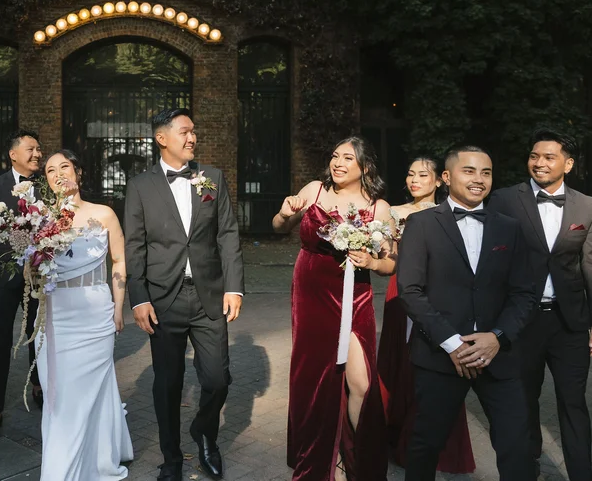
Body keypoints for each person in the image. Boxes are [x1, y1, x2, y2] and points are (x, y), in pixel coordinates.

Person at [397, 145, 536, 481]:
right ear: (446, 177)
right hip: (441, 355)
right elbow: (410, 291)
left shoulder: (509, 227)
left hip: (497, 355)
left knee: (518, 447)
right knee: (426, 445)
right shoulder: (421, 224)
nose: (479, 179)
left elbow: (524, 293)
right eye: (469, 171)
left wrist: (497, 337)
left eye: (486, 172)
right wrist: (451, 343)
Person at [125, 109, 244, 481]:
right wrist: (139, 298)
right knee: (167, 384)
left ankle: (205, 434)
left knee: (217, 380)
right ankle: (171, 459)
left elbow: (227, 234)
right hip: (163, 299)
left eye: (194, 131)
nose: (192, 138)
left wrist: (234, 287)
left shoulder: (212, 178)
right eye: (185, 132)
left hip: (209, 297)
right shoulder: (140, 186)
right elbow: (134, 246)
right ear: (162, 138)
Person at [488, 129, 592, 481]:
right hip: (519, 322)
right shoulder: (504, 200)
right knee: (522, 401)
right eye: (534, 156)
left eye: (549, 157)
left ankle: (581, 475)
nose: (539, 163)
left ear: (568, 164)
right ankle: (527, 468)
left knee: (573, 403)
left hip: (569, 323)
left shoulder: (587, 205)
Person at [273, 136, 393, 480]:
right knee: (315, 378)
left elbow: (391, 262)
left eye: (348, 158)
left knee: (361, 383)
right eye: (335, 156)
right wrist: (284, 214)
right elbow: (279, 228)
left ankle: (356, 460)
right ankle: (324, 460)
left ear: (365, 167)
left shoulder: (378, 208)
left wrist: (372, 261)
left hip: (355, 296)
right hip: (311, 293)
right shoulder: (314, 190)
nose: (338, 163)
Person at [35, 150, 133, 480]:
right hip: (55, 316)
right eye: (51, 170)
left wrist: (118, 307)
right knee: (61, 397)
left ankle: (100, 457)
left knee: (95, 389)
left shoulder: (103, 214)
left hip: (95, 314)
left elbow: (119, 261)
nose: (58, 174)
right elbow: (30, 272)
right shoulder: (39, 219)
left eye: (64, 167)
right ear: (46, 180)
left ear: (78, 172)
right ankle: (62, 468)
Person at [378, 157, 475, 473]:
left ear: (439, 180)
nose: (414, 180)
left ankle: (433, 441)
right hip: (400, 293)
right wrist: (374, 253)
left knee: (436, 366)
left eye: (423, 175)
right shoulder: (394, 212)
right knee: (400, 361)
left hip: (438, 294)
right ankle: (396, 434)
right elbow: (389, 260)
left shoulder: (450, 213)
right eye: (410, 174)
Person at [0, 129, 43, 439]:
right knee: (0, 340)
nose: (37, 154)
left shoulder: (46, 185)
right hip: (4, 277)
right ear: (13, 154)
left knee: (39, 336)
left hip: (41, 275)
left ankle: (40, 386)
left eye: (39, 149)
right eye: (31, 149)